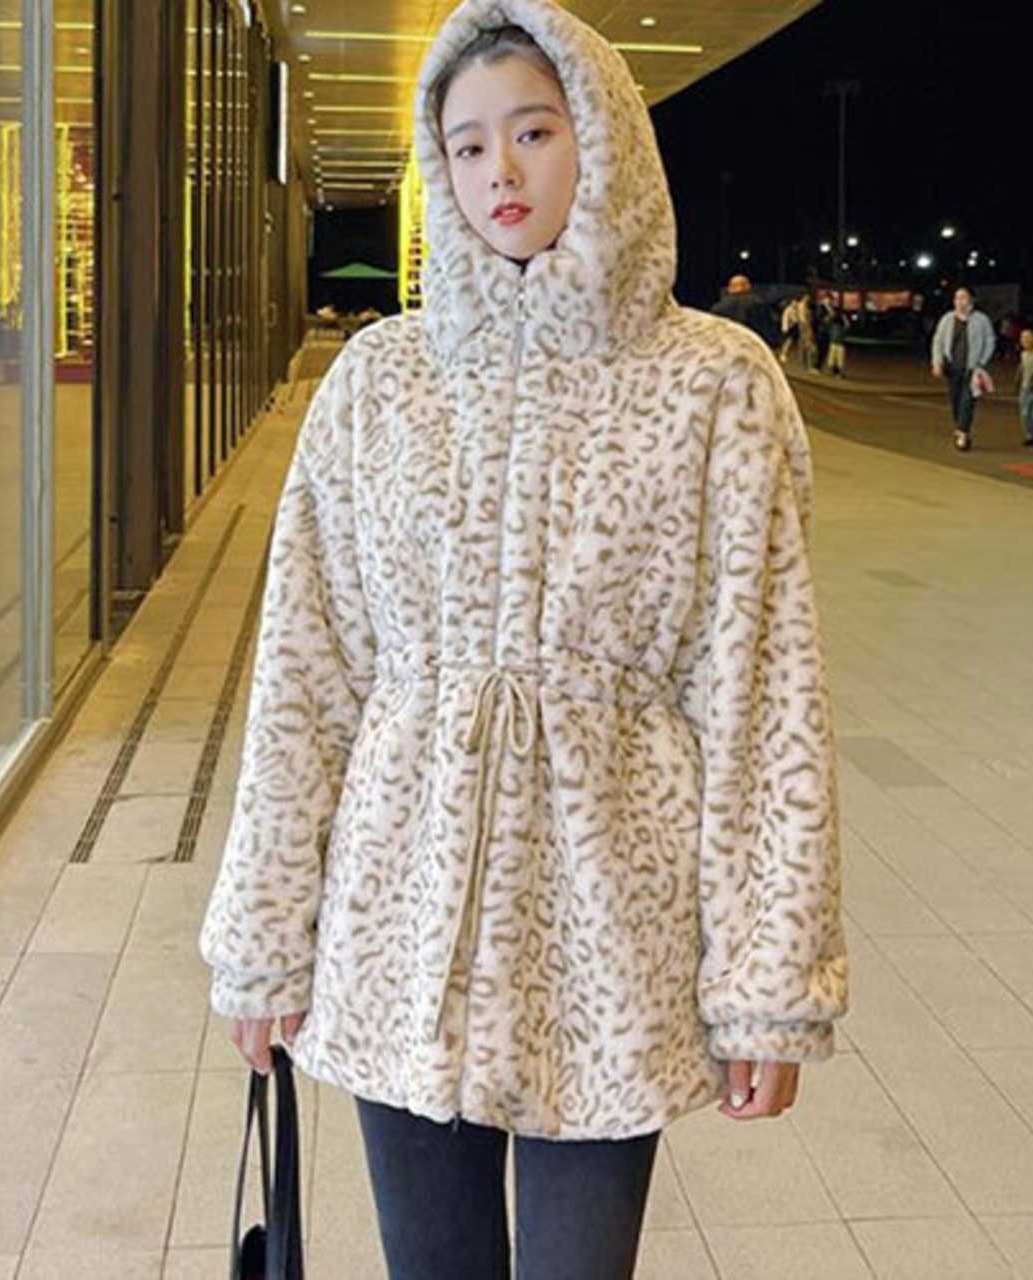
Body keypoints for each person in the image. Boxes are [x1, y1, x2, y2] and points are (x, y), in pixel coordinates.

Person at [199, 4, 848, 1278]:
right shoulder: (378, 381)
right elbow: (305, 679)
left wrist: (767, 978)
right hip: (402, 915)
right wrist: (264, 940)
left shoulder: (712, 382)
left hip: (612, 924)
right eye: (466, 144)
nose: (499, 169)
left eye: (534, 132)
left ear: (601, 141)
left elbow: (763, 695)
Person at [931, 285, 997, 452]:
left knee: (968, 401)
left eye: (963, 297)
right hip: (952, 367)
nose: (959, 301)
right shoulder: (947, 319)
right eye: (957, 298)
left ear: (971, 300)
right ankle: (960, 427)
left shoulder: (981, 320)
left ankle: (962, 432)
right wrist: (937, 362)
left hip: (972, 369)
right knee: (955, 400)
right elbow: (938, 341)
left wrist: (982, 361)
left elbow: (990, 341)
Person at [712, 273, 779, 348]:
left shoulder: (718, 308)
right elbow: (768, 332)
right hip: (752, 348)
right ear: (748, 286)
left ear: (730, 289)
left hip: (727, 348)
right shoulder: (759, 304)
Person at [824, 303, 848, 377]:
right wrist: (844, 317)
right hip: (838, 343)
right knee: (838, 359)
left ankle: (836, 372)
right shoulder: (838, 327)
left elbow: (826, 321)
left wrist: (830, 313)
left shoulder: (832, 326)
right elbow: (847, 325)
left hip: (834, 343)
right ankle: (837, 372)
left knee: (834, 358)